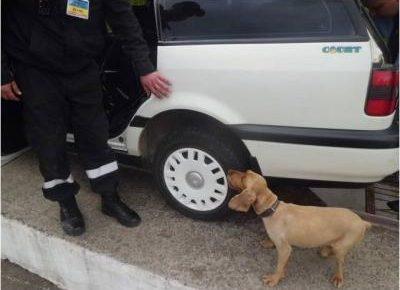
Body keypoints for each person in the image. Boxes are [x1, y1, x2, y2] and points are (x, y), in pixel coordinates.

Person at [1, 0, 171, 236]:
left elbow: (123, 18)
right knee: (48, 139)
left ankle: (109, 196)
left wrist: (144, 67)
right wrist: (2, 73)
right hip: (34, 70)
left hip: (83, 66)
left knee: (95, 133)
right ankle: (66, 202)